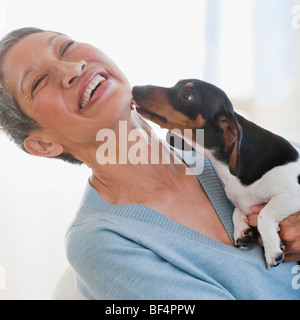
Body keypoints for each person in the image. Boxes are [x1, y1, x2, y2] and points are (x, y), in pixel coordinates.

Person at [0, 27, 299, 300]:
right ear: (43, 144)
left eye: (67, 47)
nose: (71, 68)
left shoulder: (219, 148)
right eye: (38, 82)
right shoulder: (102, 243)